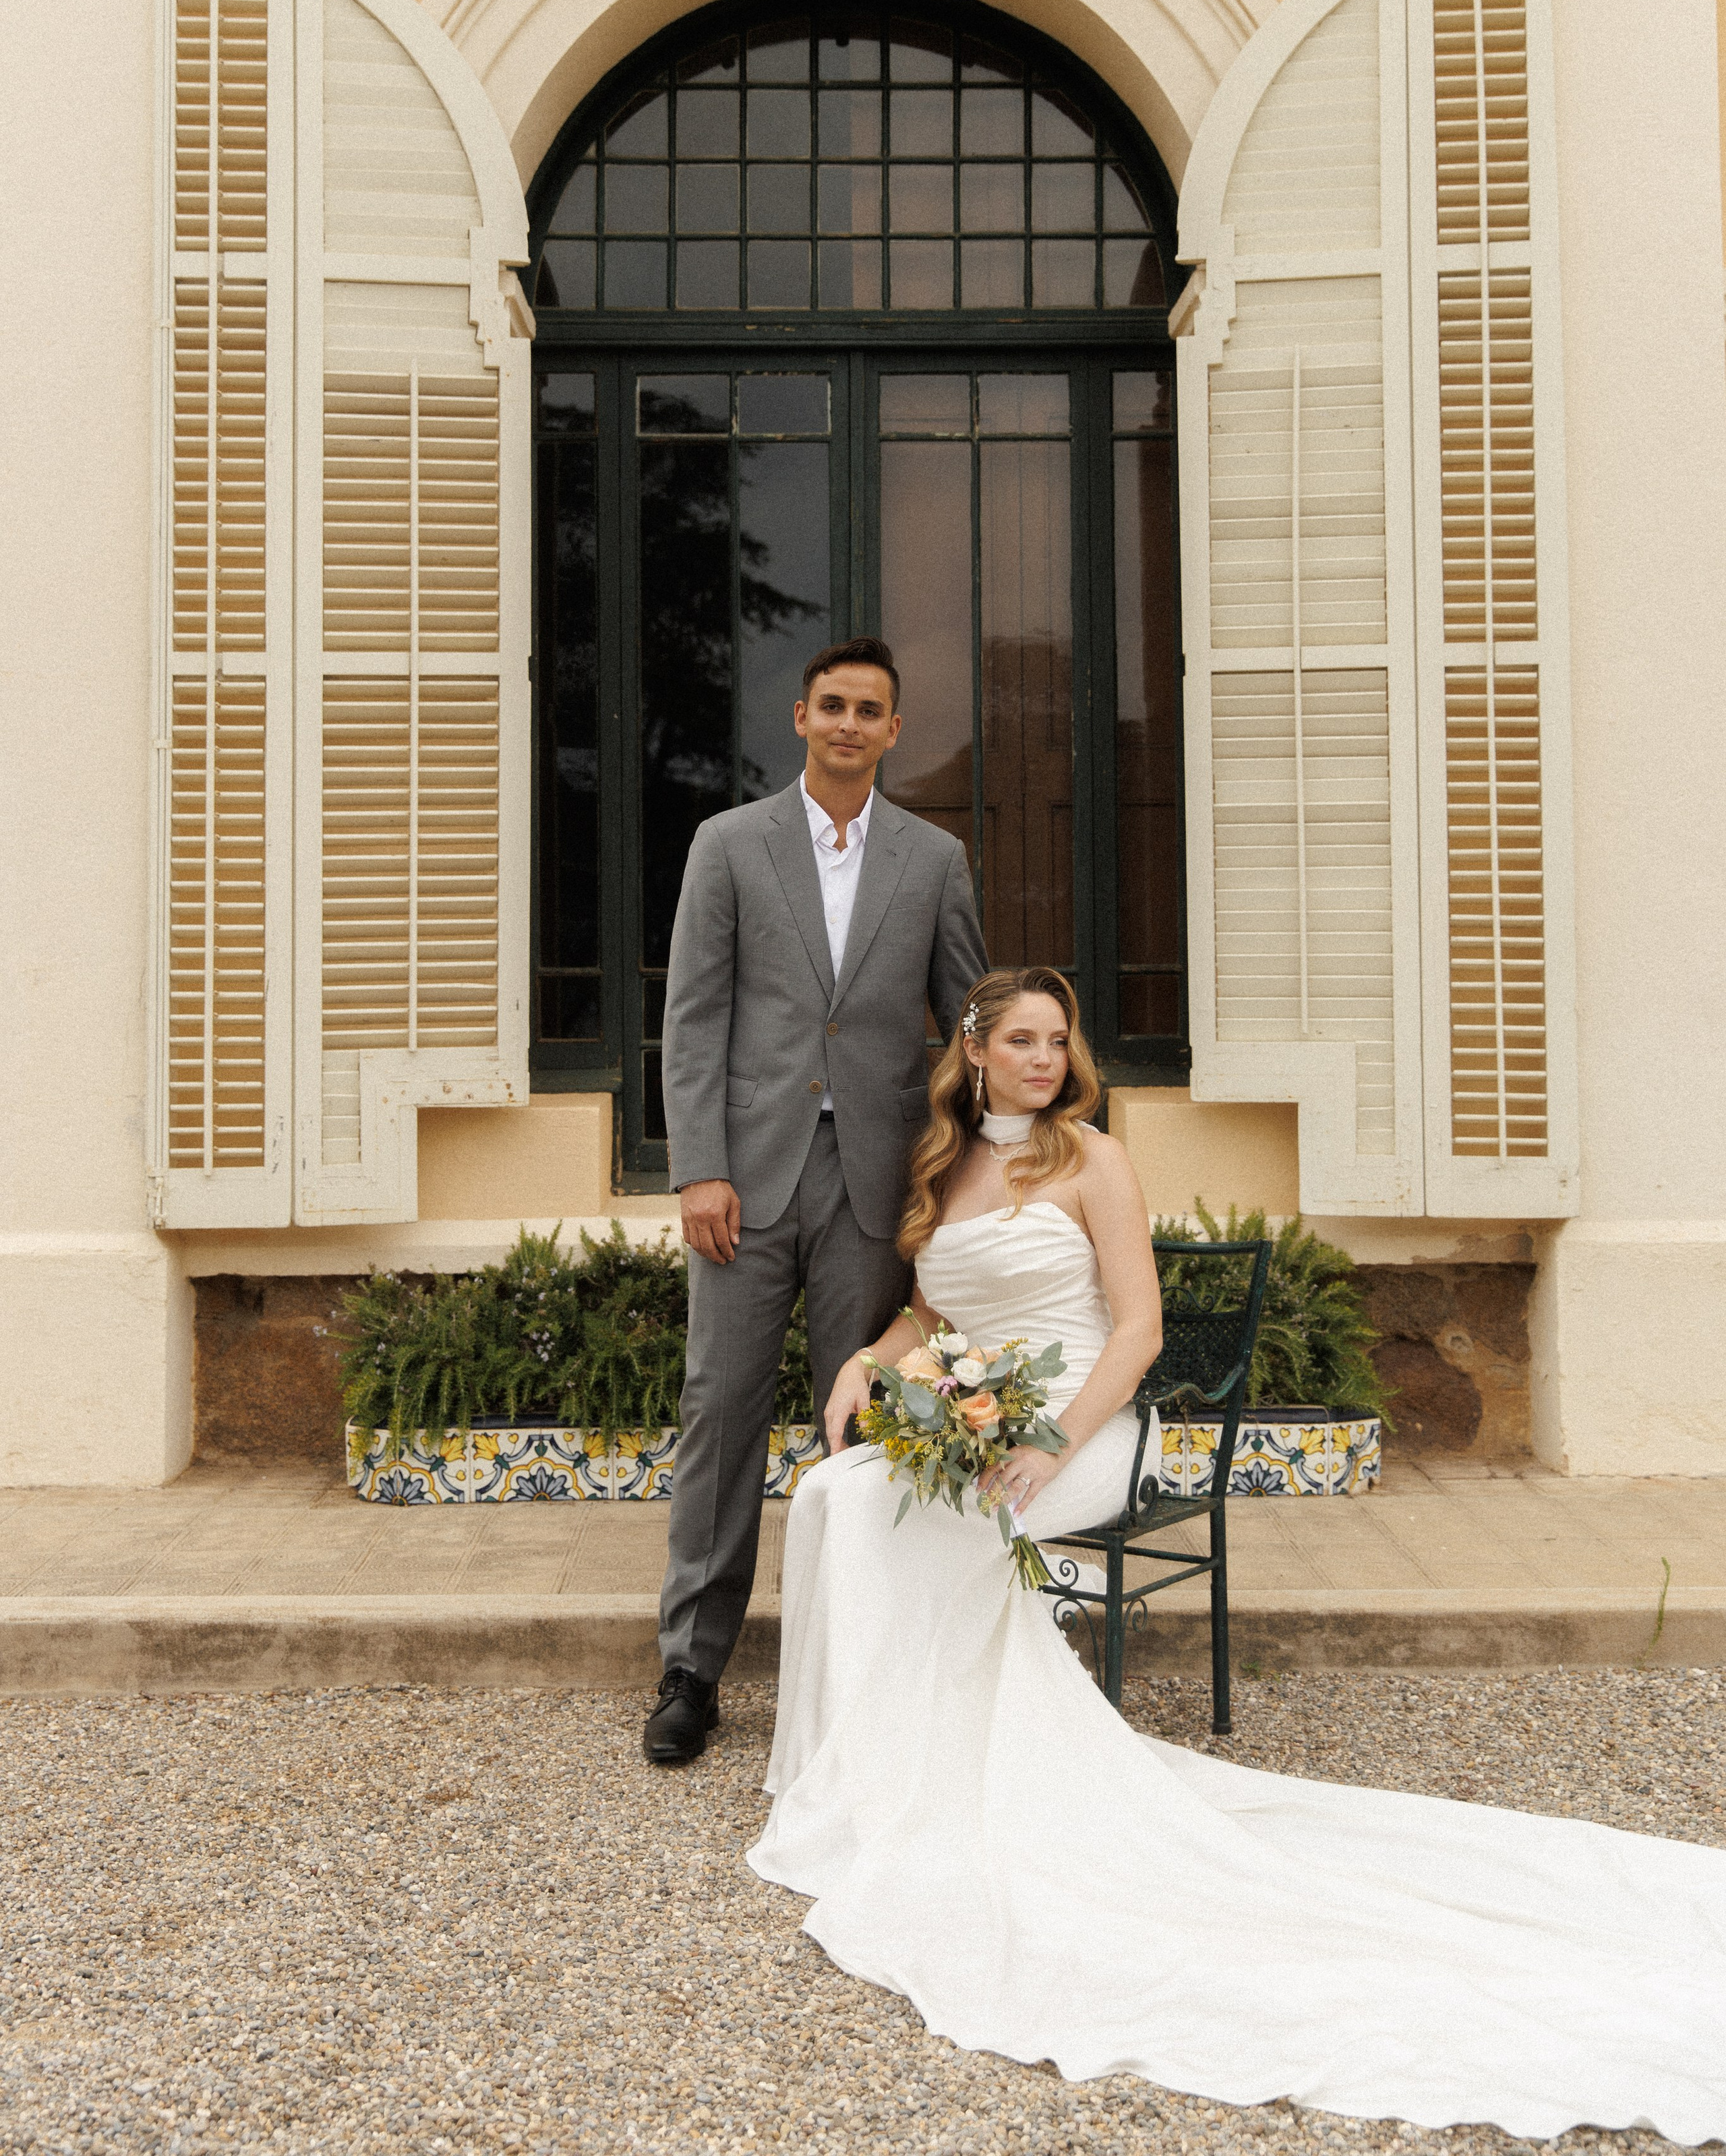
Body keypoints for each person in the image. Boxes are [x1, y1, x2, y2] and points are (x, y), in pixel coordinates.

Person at [748, 969, 1726, 2143]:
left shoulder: (1093, 1159)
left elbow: (1140, 1330)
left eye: (1059, 1039)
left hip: (1088, 1431)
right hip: (986, 1417)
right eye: (1023, 1040)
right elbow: (935, 1316)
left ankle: (917, 1770)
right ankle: (870, 1763)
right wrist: (869, 1360)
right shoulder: (942, 1165)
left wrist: (1053, 1442)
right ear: (977, 1051)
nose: (1046, 1058)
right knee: (834, 1493)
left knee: (900, 1518)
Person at [648, 636, 988, 1765]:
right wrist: (699, 1164)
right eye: (831, 704)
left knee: (865, 1421)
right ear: (800, 717)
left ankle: (860, 1667)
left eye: (869, 709)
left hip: (875, 1183)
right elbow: (694, 1015)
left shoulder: (933, 859)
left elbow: (970, 1030)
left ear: (895, 729)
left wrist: (975, 1176)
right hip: (744, 1182)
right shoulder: (728, 844)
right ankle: (692, 1669)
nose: (848, 723)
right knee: (722, 1411)